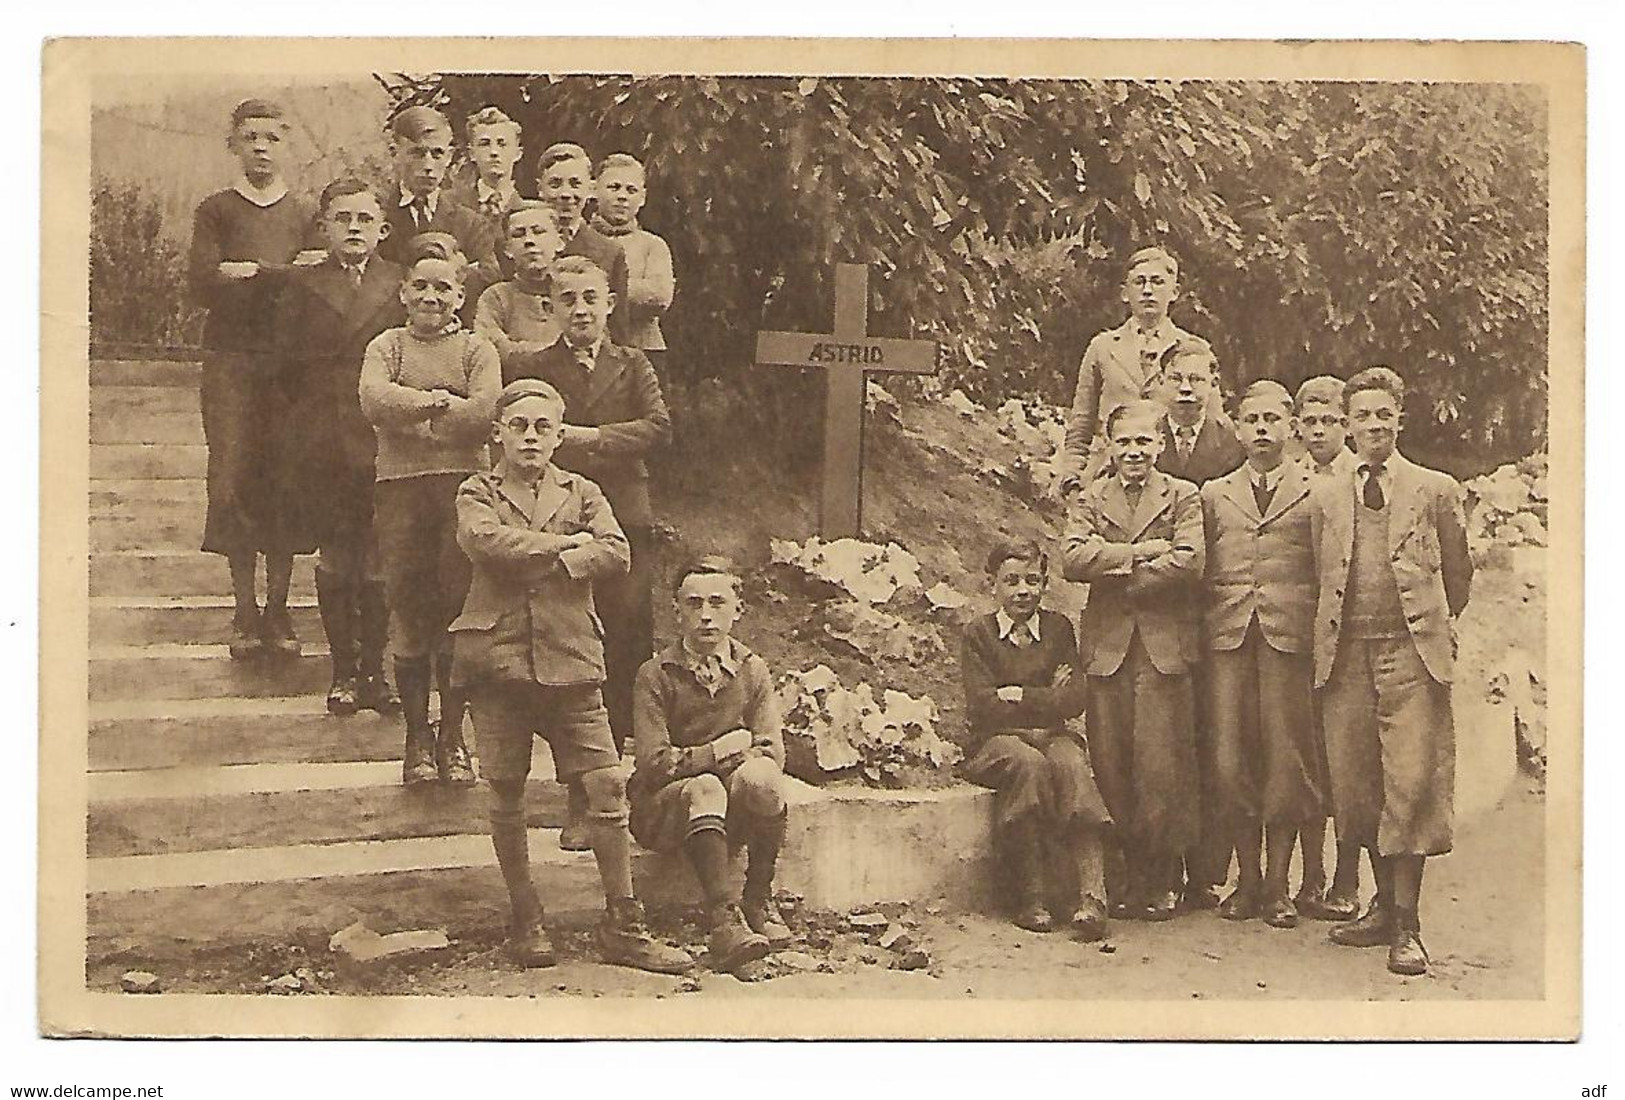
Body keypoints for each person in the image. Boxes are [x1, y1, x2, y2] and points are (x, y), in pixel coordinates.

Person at [451, 378, 694, 975]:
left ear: (560, 436)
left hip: (571, 656)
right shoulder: (476, 489)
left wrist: (560, 551)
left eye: (542, 428)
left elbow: (616, 552)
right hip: (499, 656)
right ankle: (526, 916)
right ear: (498, 433)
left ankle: (623, 920)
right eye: (518, 426)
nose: (530, 437)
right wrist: (566, 546)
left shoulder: (584, 489)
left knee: (607, 785)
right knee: (505, 789)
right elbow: (485, 543)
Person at [1308, 366, 1473, 977]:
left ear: (1400, 419)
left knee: (1410, 783)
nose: (1374, 426)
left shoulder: (1435, 488)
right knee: (1358, 784)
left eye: (1385, 415)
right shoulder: (1324, 495)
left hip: (1410, 654)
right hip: (1345, 654)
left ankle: (1408, 923)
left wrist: (1430, 627)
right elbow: (1318, 572)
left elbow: (1459, 573)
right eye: (1363, 417)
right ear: (1347, 425)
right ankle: (1378, 907)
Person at [507, 255, 673, 849]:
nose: (581, 310)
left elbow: (658, 428)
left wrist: (589, 438)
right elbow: (521, 435)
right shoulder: (532, 367)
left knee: (627, 642)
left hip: (624, 518)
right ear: (550, 308)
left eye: (591, 299)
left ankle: (625, 789)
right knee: (570, 652)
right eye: (568, 299)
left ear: (609, 304)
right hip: (560, 520)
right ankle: (577, 795)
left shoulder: (633, 365)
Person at [187, 98, 322, 660]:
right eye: (251, 138)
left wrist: (251, 273)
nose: (261, 147)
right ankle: (243, 609)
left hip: (290, 364)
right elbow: (203, 281)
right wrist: (283, 275)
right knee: (235, 472)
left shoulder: (308, 211)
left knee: (287, 474)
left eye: (271, 137)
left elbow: (317, 284)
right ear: (234, 145)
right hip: (232, 360)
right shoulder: (215, 210)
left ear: (286, 143)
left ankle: (279, 608)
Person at [358, 251, 500, 785]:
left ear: (459, 297)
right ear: (404, 293)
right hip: (400, 490)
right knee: (411, 607)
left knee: (458, 610)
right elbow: (373, 399)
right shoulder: (386, 346)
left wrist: (416, 415)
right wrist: (440, 405)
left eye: (443, 289)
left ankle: (452, 736)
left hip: (464, 490)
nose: (431, 298)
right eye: (421, 287)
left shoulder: (477, 348)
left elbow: (484, 412)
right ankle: (417, 736)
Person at [1062, 401, 1204, 922]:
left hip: (1164, 647)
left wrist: (1118, 566)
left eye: (1144, 442)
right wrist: (1142, 552)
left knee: (1161, 766)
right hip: (1108, 649)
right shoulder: (1090, 497)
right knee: (1113, 764)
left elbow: (1190, 559)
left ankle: (1163, 878)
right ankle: (1124, 877)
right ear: (1109, 444)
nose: (1135, 452)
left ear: (1160, 444)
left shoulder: (1183, 495)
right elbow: (1073, 559)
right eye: (1124, 442)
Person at [271, 177, 404, 714]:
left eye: (365, 220)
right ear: (324, 227)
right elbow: (282, 369)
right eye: (343, 219)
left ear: (383, 229)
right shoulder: (301, 286)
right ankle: (342, 671)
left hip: (382, 436)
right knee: (337, 553)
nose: (354, 229)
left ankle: (375, 670)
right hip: (323, 438)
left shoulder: (400, 283)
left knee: (377, 555)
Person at [629, 555, 793, 974]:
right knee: (706, 786)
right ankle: (723, 919)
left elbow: (771, 749)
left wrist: (741, 762)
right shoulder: (656, 674)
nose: (705, 616)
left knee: (763, 778)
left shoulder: (752, 670)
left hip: (725, 813)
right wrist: (714, 754)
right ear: (676, 611)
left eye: (718, 603)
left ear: (738, 609)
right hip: (663, 808)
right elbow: (651, 764)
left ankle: (757, 897)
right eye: (693, 604)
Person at [1199, 380, 1324, 928]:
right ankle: (1244, 881)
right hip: (1226, 641)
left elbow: (1330, 570)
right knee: (1230, 760)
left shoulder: (1316, 492)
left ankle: (1278, 887)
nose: (1263, 431)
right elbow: (1199, 570)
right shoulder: (1213, 494)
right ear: (1238, 427)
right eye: (1252, 421)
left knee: (1284, 761)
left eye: (1274, 420)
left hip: (1288, 643)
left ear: (1291, 426)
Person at [959, 539, 1110, 941]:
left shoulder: (1058, 629)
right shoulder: (979, 634)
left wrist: (1018, 694)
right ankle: (1031, 896)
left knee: (1072, 765)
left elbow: (1074, 698)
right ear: (993, 585)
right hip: (996, 741)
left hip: (1052, 735)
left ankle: (1093, 897)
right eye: (1011, 581)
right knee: (1029, 766)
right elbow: (983, 705)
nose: (1023, 590)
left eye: (1032, 580)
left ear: (1044, 583)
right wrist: (1045, 697)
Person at [1150, 339, 1244, 911]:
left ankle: (1209, 870)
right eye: (1177, 379)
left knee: (1216, 742)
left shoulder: (1234, 446)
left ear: (1214, 385)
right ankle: (1158, 866)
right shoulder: (1140, 441)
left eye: (1198, 380)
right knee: (1164, 745)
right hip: (1156, 611)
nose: (1186, 390)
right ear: (1161, 384)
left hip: (1215, 614)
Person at [1290, 373, 1363, 920]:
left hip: (1352, 639)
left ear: (1347, 424)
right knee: (1306, 758)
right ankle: (1310, 876)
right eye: (1309, 422)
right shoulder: (1290, 479)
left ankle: (1347, 876)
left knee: (1348, 760)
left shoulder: (1362, 480)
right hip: (1296, 638)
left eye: (1329, 421)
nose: (1319, 431)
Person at [1059, 247, 1220, 488]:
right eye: (1139, 282)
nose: (1147, 290)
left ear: (1174, 292)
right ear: (1125, 293)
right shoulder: (1102, 347)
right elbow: (1082, 421)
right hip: (1110, 473)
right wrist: (1072, 475)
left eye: (1157, 282)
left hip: (1172, 478)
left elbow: (1214, 425)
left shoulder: (1194, 349)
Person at [377, 106, 498, 288]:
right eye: (417, 153)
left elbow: (490, 278)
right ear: (394, 153)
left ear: (449, 156)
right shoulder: (376, 216)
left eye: (437, 154)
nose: (428, 164)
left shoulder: (471, 222)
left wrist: (459, 272)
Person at [533, 142, 633, 346]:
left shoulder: (609, 251)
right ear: (540, 189)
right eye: (555, 184)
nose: (566, 194)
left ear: (591, 189)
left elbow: (618, 328)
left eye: (575, 184)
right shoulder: (522, 242)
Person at [590, 153, 675, 373]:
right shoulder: (580, 239)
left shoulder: (653, 245)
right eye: (614, 187)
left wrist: (596, 290)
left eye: (631, 190)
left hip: (643, 347)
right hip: (588, 347)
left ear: (643, 197)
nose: (622, 196)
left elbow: (658, 296)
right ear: (594, 189)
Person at [473, 202, 564, 377]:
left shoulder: (574, 293)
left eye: (539, 232)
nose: (529, 241)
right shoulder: (496, 297)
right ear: (507, 249)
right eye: (519, 234)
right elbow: (492, 348)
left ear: (559, 242)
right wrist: (557, 352)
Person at [450, 106, 525, 241]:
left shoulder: (529, 210)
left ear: (517, 153)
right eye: (485, 144)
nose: (494, 152)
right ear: (472, 153)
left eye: (502, 144)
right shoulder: (452, 205)